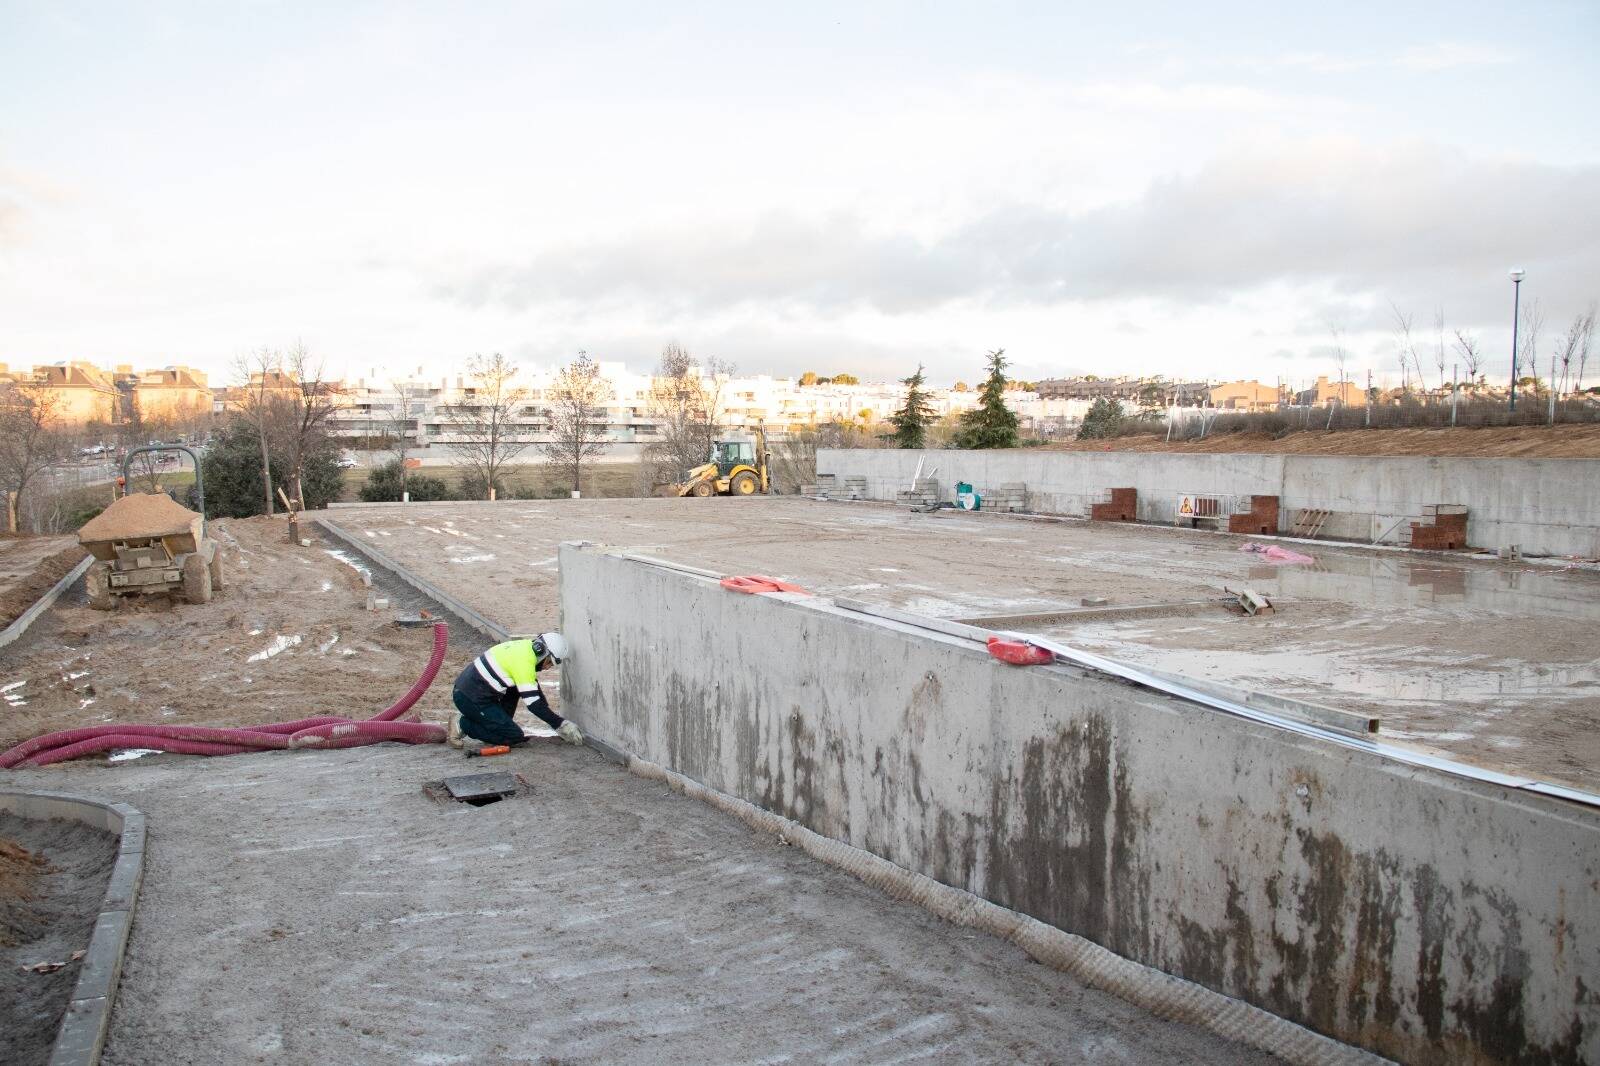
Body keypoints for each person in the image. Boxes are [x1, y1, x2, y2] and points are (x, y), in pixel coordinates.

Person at [447, 632, 584, 750]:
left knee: (515, 688)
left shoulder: (524, 649)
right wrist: (560, 724)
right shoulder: (524, 664)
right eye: (549, 662)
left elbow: (535, 691)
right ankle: (462, 724)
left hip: (473, 691)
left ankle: (492, 729)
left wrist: (556, 724)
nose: (547, 667)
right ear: (543, 653)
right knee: (513, 736)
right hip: (470, 698)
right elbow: (534, 705)